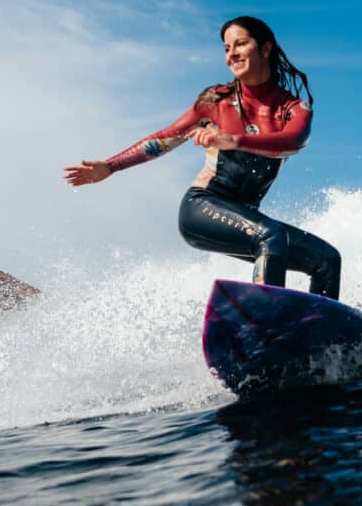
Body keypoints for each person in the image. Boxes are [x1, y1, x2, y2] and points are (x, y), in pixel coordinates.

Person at [64, 16, 341, 299]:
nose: (231, 54)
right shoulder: (215, 101)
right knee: (271, 236)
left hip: (248, 217)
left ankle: (327, 341)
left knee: (327, 261)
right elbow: (164, 137)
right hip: (202, 206)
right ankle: (266, 318)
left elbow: (293, 141)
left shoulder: (294, 109)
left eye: (240, 44)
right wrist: (111, 166)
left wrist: (234, 140)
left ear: (266, 48)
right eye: (226, 48)